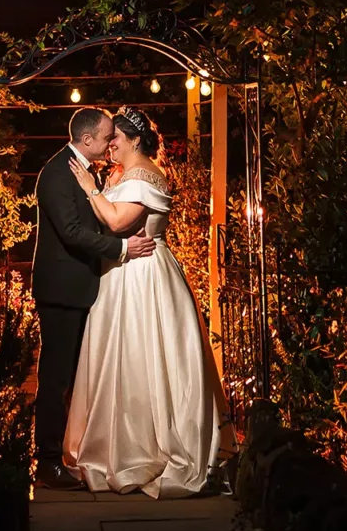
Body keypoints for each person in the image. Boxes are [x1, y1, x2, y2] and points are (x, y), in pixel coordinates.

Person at [61, 105, 234, 497]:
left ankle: (144, 449)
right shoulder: (127, 173)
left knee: (142, 355)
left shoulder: (142, 175)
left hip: (141, 277)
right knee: (121, 359)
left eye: (115, 139)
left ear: (134, 140)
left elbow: (120, 222)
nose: (110, 147)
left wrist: (90, 189)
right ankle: (118, 444)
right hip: (123, 273)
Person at [30, 107, 156, 490]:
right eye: (106, 138)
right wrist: (121, 248)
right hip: (62, 290)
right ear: (87, 140)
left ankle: (72, 453)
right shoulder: (56, 172)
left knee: (74, 376)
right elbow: (70, 231)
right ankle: (47, 462)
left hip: (82, 286)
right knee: (56, 377)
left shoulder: (83, 169)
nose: (110, 144)